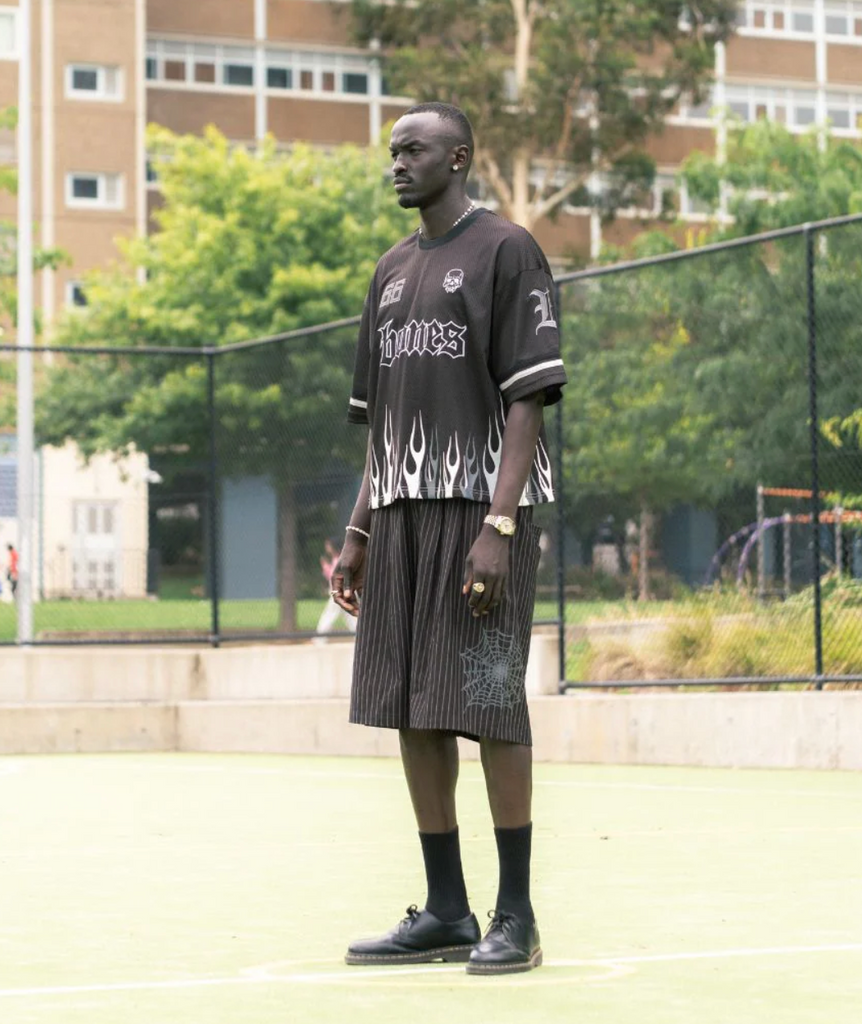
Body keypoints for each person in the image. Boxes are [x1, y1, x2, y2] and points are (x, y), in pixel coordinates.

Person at [331, 102, 567, 976]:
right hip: (399, 517)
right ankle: (446, 911)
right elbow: (382, 427)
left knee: (490, 702)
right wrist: (358, 530)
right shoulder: (390, 271)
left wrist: (499, 526)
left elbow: (527, 401)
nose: (397, 163)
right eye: (392, 151)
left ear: (459, 157)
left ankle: (517, 915)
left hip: (479, 513)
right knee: (412, 707)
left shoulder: (508, 250)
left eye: (414, 149)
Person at [315, 537, 357, 637]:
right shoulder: (338, 559)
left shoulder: (339, 559)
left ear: (334, 546)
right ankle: (359, 637)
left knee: (329, 615)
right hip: (342, 591)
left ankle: (319, 638)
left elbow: (333, 577)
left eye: (328, 545)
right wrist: (326, 566)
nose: (327, 547)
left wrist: (325, 566)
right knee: (350, 617)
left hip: (339, 592)